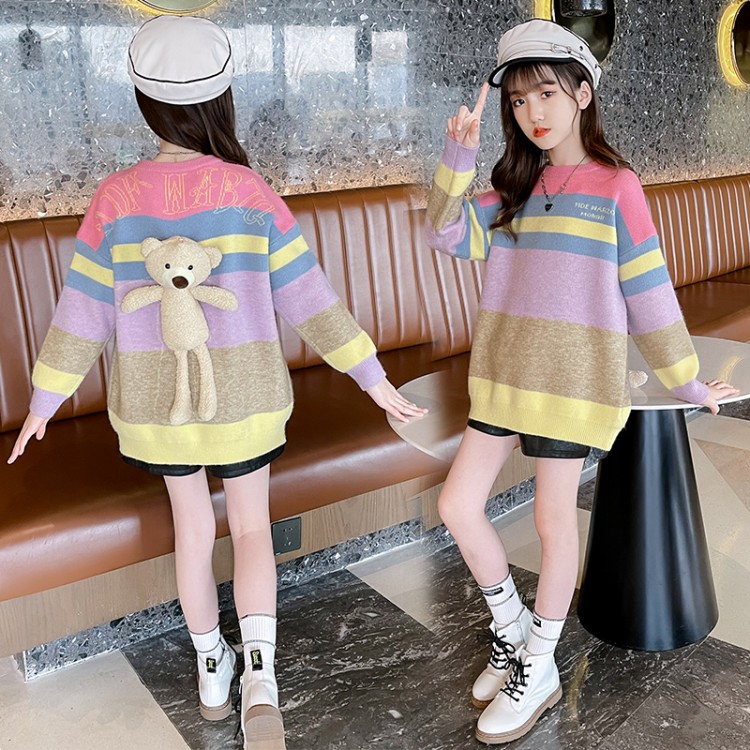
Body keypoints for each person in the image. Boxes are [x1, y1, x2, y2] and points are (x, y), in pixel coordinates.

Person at [7, 15, 425, 750]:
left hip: (156, 412)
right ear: (220, 100)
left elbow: (84, 309)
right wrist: (371, 375)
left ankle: (211, 673)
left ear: (147, 103)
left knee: (193, 531)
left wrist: (45, 399)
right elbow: (308, 297)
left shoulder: (116, 197)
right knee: (253, 528)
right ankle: (261, 680)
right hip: (247, 401)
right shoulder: (247, 190)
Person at [424, 18, 738, 745]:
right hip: (504, 377)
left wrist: (687, 382)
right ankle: (513, 631)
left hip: (571, 384)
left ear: (582, 94)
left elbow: (648, 290)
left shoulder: (617, 186)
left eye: (546, 93)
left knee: (551, 521)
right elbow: (444, 233)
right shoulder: (512, 188)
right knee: (457, 506)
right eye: (518, 100)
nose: (532, 112)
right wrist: (456, 155)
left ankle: (537, 666)